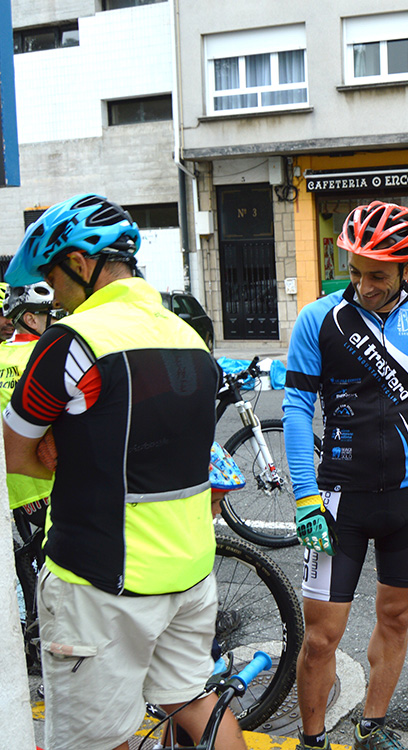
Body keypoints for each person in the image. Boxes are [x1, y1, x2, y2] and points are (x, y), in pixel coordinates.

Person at [2, 194, 244, 750]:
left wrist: (59, 446)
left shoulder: (72, 341)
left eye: (55, 280)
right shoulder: (188, 336)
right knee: (194, 700)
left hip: (101, 579)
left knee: (96, 736)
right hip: (189, 570)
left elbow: (11, 455)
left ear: (82, 265)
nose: (54, 297)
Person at [284, 201, 408, 750]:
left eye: (379, 275)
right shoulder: (319, 319)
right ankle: (312, 740)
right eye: (356, 270)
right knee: (321, 637)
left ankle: (373, 725)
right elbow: (296, 407)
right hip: (339, 500)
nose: (364, 284)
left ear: (406, 269)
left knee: (396, 619)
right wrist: (304, 497)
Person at [0, 282, 63, 523]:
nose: (58, 322)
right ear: (30, 319)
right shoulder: (47, 352)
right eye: (52, 316)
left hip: (12, 487)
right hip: (46, 484)